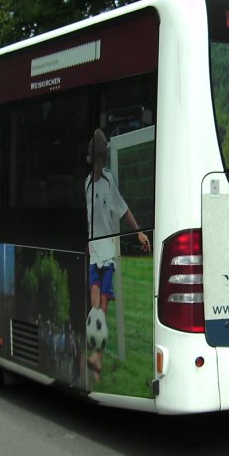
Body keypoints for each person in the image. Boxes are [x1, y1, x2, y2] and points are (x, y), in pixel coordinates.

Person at [84, 128, 150, 384]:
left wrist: (139, 233)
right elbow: (88, 218)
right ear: (94, 157)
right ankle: (95, 355)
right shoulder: (86, 183)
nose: (99, 160)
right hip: (93, 253)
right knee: (95, 309)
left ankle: (96, 360)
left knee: (102, 308)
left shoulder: (108, 182)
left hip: (108, 255)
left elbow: (123, 209)